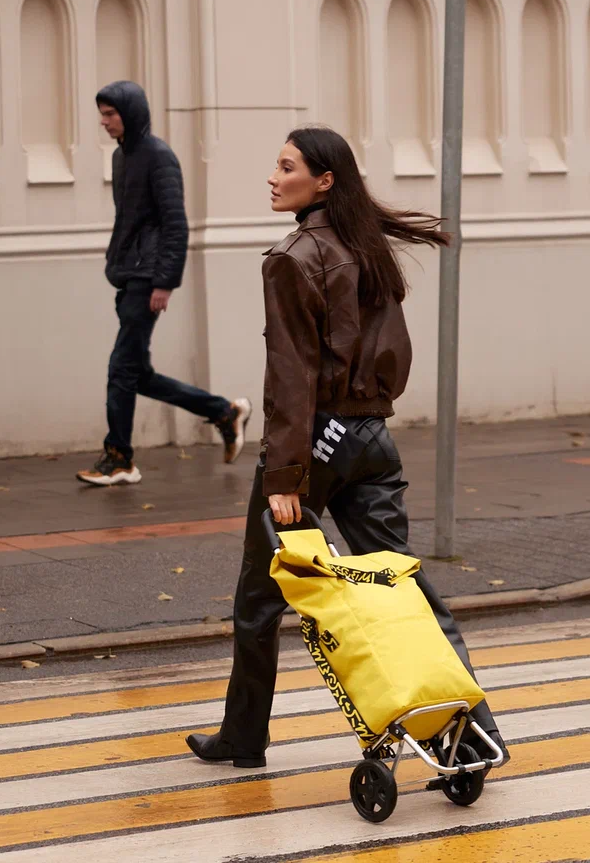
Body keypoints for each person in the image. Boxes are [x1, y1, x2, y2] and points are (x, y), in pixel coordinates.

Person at [185, 126, 509, 769]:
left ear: (323, 180)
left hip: (314, 445)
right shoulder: (367, 248)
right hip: (371, 436)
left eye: (286, 167)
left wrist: (284, 476)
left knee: (259, 599)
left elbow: (291, 376)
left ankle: (243, 739)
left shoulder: (292, 258)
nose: (274, 178)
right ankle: (473, 731)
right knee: (402, 586)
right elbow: (397, 352)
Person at [77, 81, 251, 486]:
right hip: (129, 273)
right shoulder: (122, 158)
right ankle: (225, 412)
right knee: (138, 375)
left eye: (110, 114)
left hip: (147, 277)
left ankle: (119, 458)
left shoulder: (159, 157)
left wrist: (164, 282)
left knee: (121, 369)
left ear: (130, 113)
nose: (103, 122)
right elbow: (129, 220)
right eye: (101, 114)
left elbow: (176, 224)